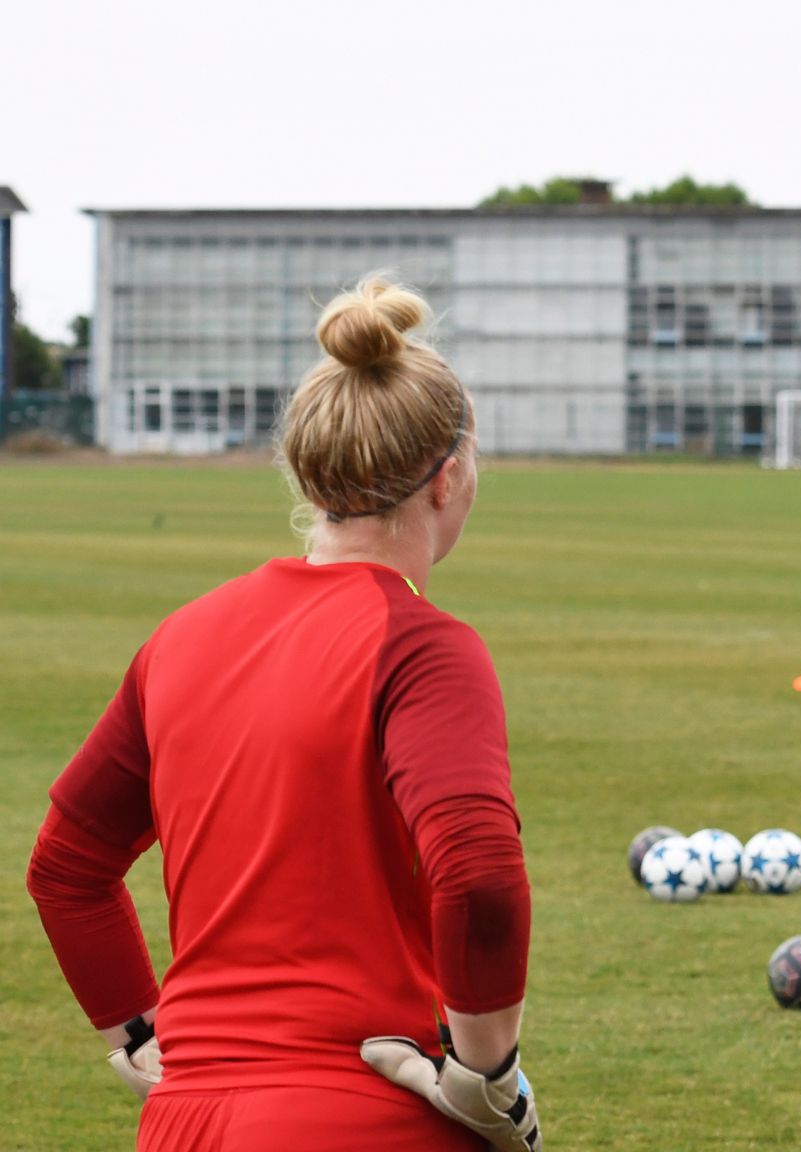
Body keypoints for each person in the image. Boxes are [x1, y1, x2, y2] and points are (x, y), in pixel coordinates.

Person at [25, 277, 541, 1152]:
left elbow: (65, 869)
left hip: (183, 1121)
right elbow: (481, 876)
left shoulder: (180, 638)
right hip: (360, 1113)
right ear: (448, 479)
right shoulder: (422, 643)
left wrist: (138, 1034)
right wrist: (485, 1077)